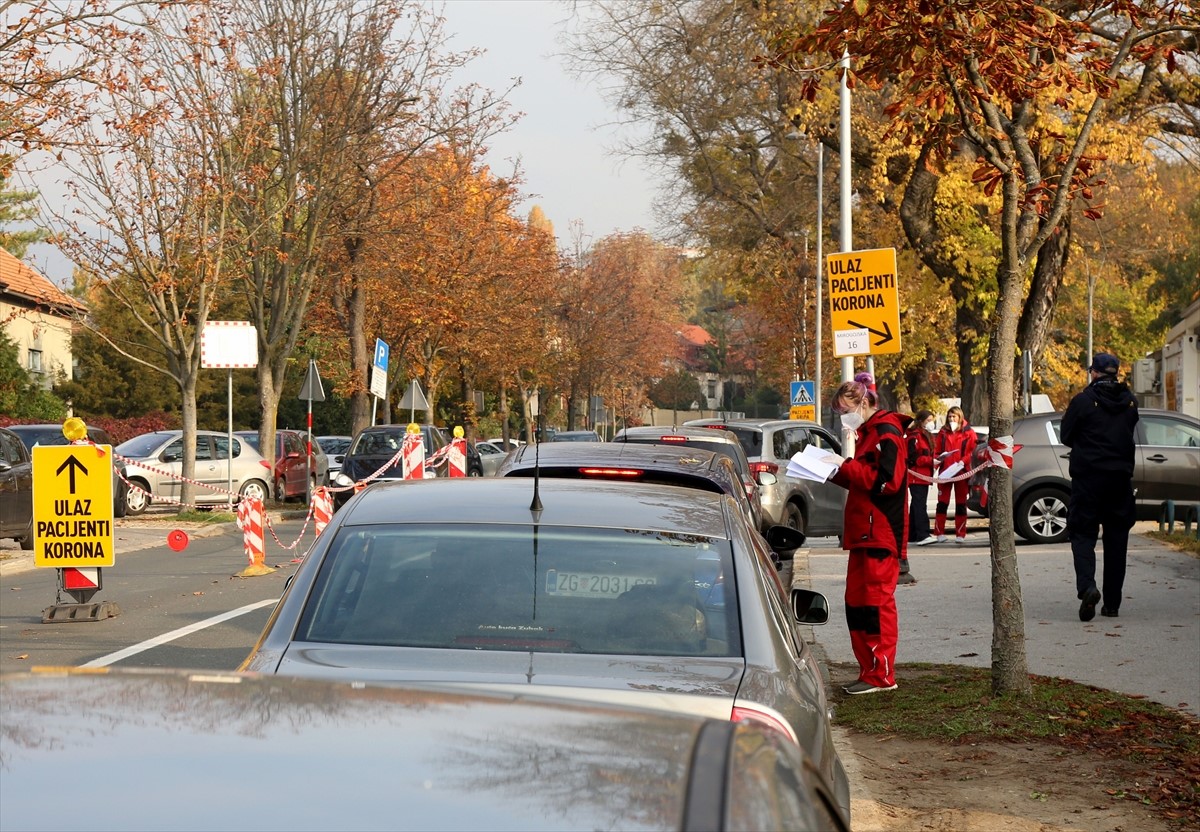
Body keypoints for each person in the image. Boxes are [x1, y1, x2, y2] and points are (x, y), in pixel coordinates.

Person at [829, 372, 908, 694]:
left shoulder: (886, 432)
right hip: (866, 532)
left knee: (874, 605)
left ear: (863, 403)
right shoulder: (871, 433)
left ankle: (882, 675)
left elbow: (887, 482)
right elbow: (867, 479)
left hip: (880, 532)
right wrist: (835, 470)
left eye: (845, 410)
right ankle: (870, 671)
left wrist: (844, 466)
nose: (843, 417)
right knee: (857, 604)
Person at [1061, 352, 1139, 621]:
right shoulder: (1130, 402)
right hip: (1120, 480)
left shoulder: (1083, 401)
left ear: (1094, 372)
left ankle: (1088, 588)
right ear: (1116, 373)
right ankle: (1112, 604)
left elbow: (1066, 435)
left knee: (1082, 534)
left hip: (1088, 479)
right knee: (1117, 539)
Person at [933, 405, 977, 543]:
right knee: (942, 503)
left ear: (960, 417)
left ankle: (960, 534)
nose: (951, 419)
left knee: (961, 504)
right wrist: (936, 462)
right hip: (945, 472)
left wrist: (963, 461)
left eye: (954, 416)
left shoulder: (969, 432)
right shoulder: (943, 432)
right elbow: (937, 450)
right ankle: (939, 532)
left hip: (961, 472)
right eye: (950, 416)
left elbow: (973, 451)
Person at [906, 410, 937, 558]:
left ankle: (912, 534)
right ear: (921, 420)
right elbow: (913, 457)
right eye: (928, 420)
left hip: (923, 476)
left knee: (916, 505)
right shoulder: (914, 436)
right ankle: (923, 534)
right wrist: (930, 461)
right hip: (916, 476)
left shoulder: (925, 436)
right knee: (919, 505)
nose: (931, 423)